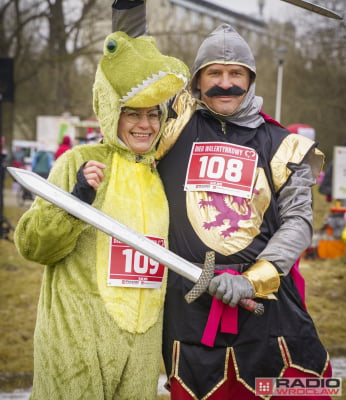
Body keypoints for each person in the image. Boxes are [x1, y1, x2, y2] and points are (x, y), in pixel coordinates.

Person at [112, 3, 333, 400]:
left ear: (250, 79)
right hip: (190, 305)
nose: (225, 83)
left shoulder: (284, 146)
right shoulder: (172, 127)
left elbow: (299, 222)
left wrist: (252, 281)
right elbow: (129, 70)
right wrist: (129, 8)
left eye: (236, 74)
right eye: (214, 73)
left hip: (267, 307)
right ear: (197, 81)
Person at [14, 31, 189, 399]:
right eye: (132, 114)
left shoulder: (163, 174)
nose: (145, 124)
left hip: (140, 348)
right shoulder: (78, 162)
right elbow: (32, 245)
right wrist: (76, 200)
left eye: (152, 114)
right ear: (112, 112)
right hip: (79, 340)